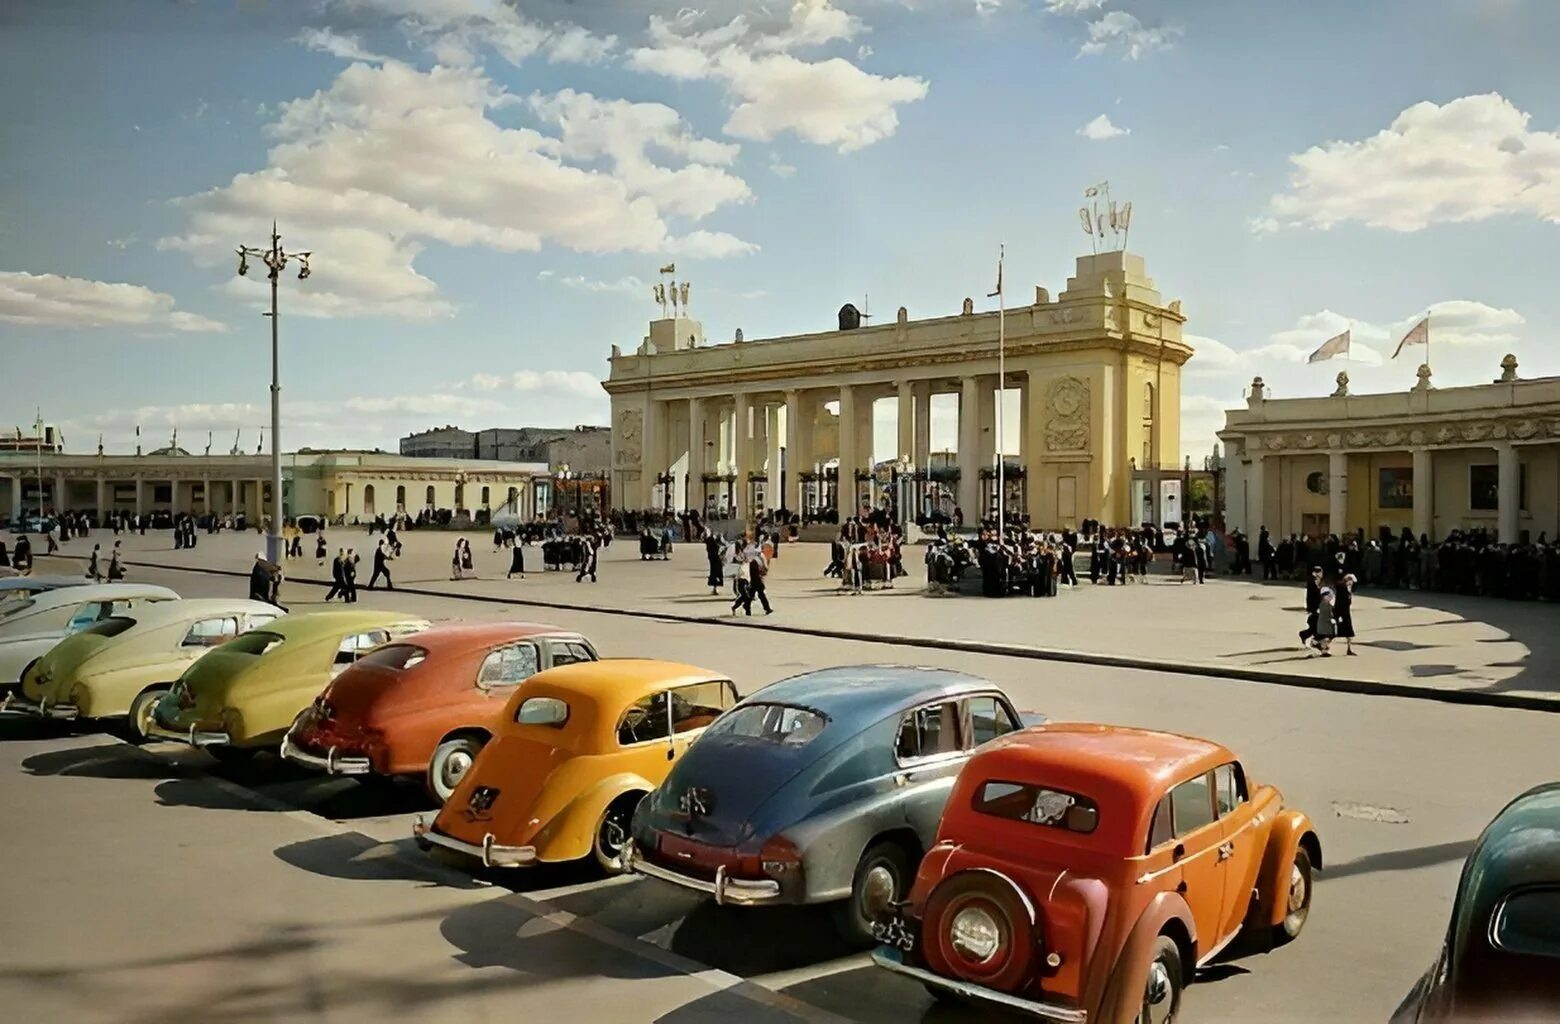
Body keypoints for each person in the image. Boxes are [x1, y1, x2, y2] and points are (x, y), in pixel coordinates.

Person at [1299, 565, 1323, 648]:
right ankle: (1316, 641)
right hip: (1314, 607)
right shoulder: (1312, 582)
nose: (1321, 574)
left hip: (1316, 606)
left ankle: (1304, 635)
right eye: (1320, 572)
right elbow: (1312, 596)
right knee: (1316, 625)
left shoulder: (1316, 581)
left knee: (1315, 625)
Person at [1335, 573, 1357, 656]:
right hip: (1340, 612)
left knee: (1349, 631)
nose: (1351, 583)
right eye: (1349, 581)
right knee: (1334, 631)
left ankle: (1349, 648)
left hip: (1346, 613)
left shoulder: (1349, 589)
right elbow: (1339, 602)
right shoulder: (1341, 588)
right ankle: (1323, 646)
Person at [1314, 585, 1337, 657]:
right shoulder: (1323, 604)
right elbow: (1325, 614)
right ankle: (1320, 647)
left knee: (1329, 636)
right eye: (1328, 596)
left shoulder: (1328, 604)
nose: (1330, 597)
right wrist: (1331, 619)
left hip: (1327, 624)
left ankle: (1324, 649)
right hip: (1324, 624)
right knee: (1326, 637)